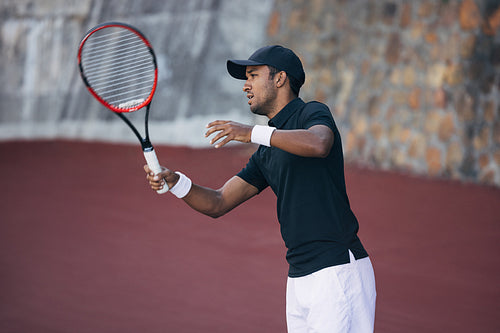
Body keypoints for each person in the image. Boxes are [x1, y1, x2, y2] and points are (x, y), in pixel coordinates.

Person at [145, 45, 376, 333]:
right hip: (299, 278)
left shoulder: (312, 112)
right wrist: (177, 182)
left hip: (337, 271)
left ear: (280, 79)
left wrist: (252, 132)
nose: (246, 86)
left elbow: (319, 144)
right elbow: (218, 202)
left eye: (253, 75)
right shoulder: (266, 152)